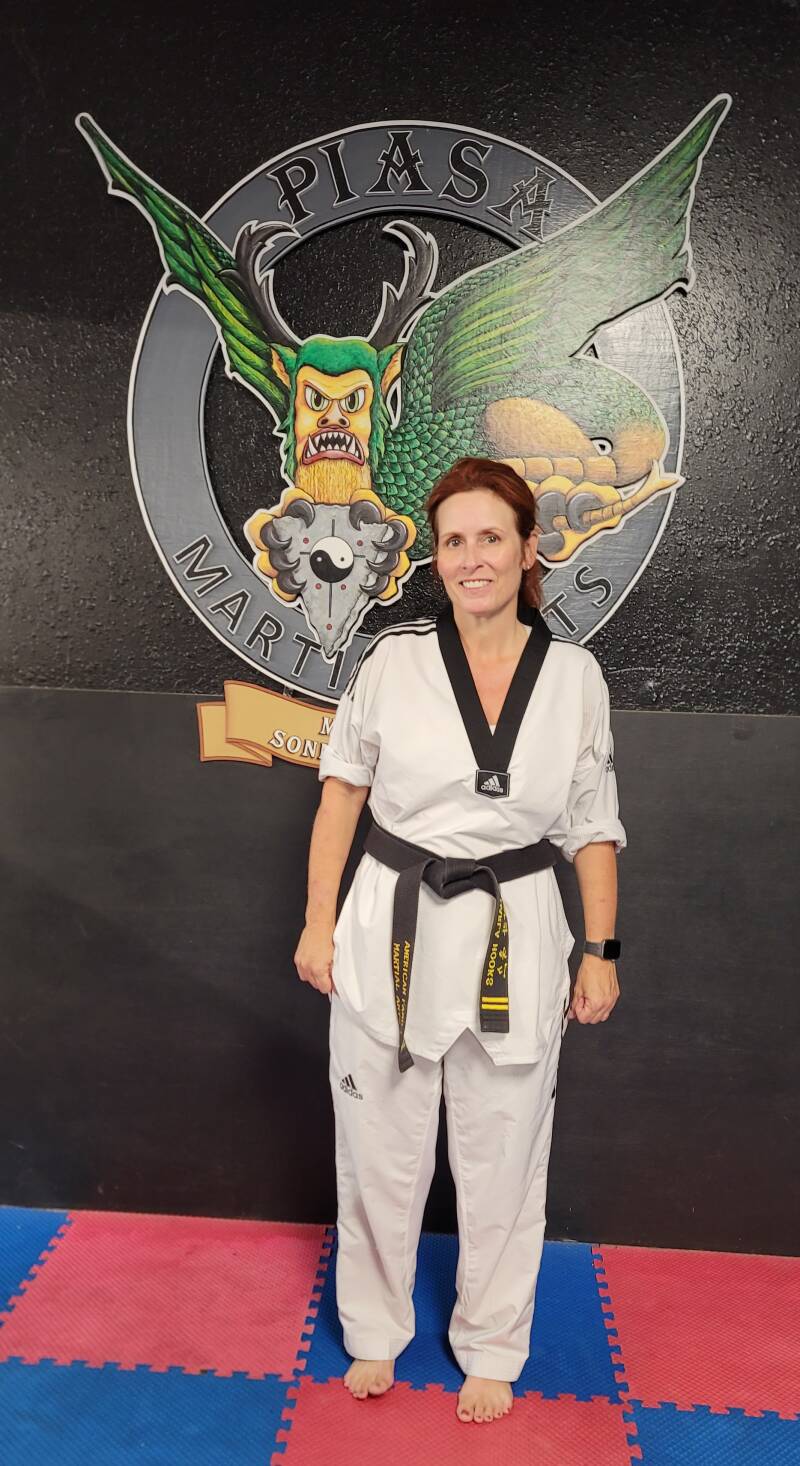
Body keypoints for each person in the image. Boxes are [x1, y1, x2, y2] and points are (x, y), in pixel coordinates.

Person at [294, 456, 626, 1425]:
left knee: (506, 1152)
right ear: (434, 558)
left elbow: (592, 826)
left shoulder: (573, 678)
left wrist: (600, 950)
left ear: (527, 548)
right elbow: (341, 794)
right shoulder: (392, 661)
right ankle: (374, 1326)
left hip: (516, 925)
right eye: (453, 541)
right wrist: (316, 922)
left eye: (490, 537)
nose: (471, 558)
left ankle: (491, 1342)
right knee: (377, 1147)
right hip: (390, 919)